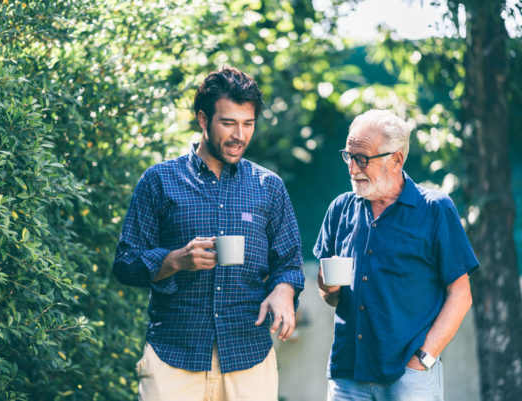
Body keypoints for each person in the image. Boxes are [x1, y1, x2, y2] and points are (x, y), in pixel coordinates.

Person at [113, 67, 304, 401]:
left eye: (248, 124)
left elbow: (288, 262)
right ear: (203, 119)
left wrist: (285, 291)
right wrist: (175, 260)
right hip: (175, 356)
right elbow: (126, 263)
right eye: (228, 123)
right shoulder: (159, 181)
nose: (239, 135)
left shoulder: (269, 188)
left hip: (248, 355)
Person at [314, 109, 479, 401]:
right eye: (348, 156)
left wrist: (423, 360)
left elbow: (461, 294)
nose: (352, 168)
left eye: (362, 159)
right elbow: (330, 296)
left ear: (396, 159)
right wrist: (328, 288)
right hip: (347, 373)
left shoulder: (435, 209)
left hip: (409, 376)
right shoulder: (340, 209)